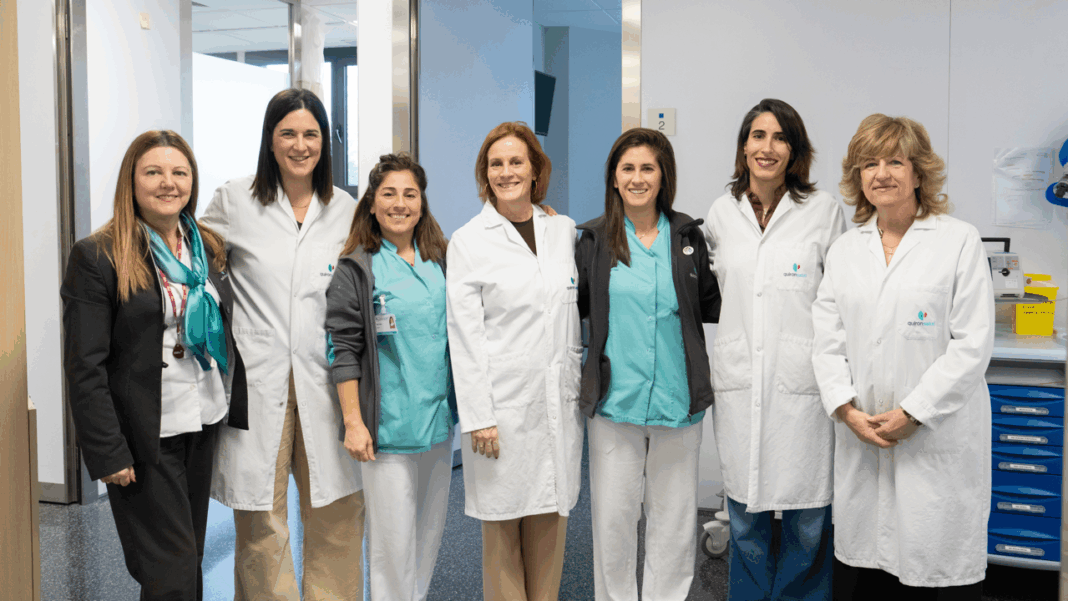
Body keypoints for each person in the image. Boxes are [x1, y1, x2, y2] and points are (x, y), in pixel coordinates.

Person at [812, 114, 994, 600]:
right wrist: (846, 409)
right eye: (869, 164)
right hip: (863, 433)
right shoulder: (845, 250)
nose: (881, 174)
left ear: (918, 173)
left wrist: (915, 412)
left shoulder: (958, 240)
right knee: (867, 572)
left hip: (934, 437)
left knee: (932, 565)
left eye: (895, 161)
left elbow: (972, 343)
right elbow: (826, 340)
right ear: (857, 176)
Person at [61, 130, 248, 600]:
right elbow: (85, 365)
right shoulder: (99, 255)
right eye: (153, 172)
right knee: (171, 569)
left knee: (187, 557)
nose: (169, 183)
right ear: (132, 180)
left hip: (202, 418)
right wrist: (108, 450)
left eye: (179, 172)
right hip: (144, 433)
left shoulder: (206, 246)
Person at [201, 88, 364, 601]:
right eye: (288, 133)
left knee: (337, 512)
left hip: (327, 378)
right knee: (260, 519)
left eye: (311, 134)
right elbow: (189, 246)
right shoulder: (235, 200)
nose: (300, 145)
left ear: (325, 142)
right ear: (270, 141)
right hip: (258, 378)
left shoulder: (345, 209)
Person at [703, 98, 846, 601]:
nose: (768, 147)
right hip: (741, 378)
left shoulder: (823, 211)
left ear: (795, 149)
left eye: (780, 137)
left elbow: (840, 298)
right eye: (758, 135)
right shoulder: (721, 213)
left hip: (803, 383)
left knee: (808, 516)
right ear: (743, 146)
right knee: (745, 513)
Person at [575, 127, 721, 601]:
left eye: (647, 168)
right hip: (615, 402)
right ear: (614, 178)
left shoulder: (688, 236)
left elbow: (710, 303)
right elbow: (574, 307)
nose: (637, 178)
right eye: (628, 169)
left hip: (678, 399)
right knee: (614, 521)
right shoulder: (593, 240)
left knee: (674, 523)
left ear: (663, 176)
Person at [445, 121, 582, 601]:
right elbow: (464, 336)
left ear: (535, 169)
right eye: (496, 164)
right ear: (485, 174)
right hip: (499, 414)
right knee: (502, 535)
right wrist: (479, 416)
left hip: (555, 406)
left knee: (550, 527)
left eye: (516, 162)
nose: (506, 172)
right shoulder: (468, 240)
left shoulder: (562, 230)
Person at [325, 153, 455, 601]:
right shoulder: (357, 268)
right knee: (391, 548)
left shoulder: (441, 259)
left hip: (437, 424)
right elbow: (343, 349)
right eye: (389, 194)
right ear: (372, 204)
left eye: (410, 194)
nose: (400, 204)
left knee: (427, 540)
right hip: (386, 428)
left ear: (422, 203)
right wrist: (354, 422)